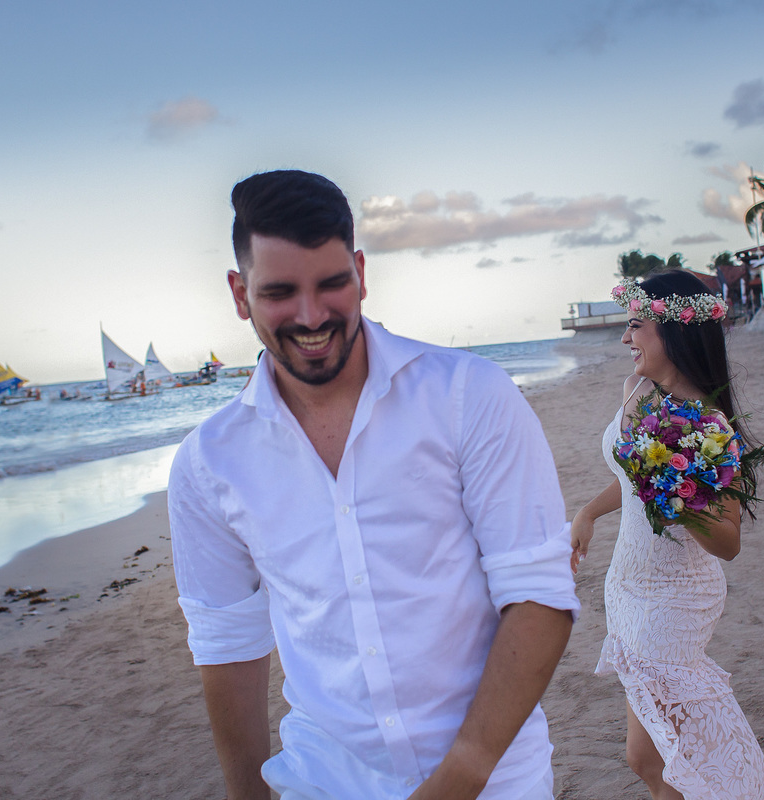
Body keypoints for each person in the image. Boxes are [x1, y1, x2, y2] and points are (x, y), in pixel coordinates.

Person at [169, 169, 578, 800]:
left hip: (495, 779)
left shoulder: (469, 395)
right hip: (323, 780)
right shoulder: (208, 463)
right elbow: (228, 644)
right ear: (238, 292)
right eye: (280, 291)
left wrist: (460, 775)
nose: (311, 316)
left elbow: (539, 595)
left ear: (361, 272)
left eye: (332, 284)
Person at [570, 270, 764, 799]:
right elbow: (628, 478)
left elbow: (727, 542)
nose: (624, 338)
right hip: (630, 586)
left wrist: (670, 489)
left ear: (675, 332)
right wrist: (590, 513)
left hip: (675, 598)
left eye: (636, 325)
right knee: (652, 758)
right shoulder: (639, 395)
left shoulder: (709, 428)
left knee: (648, 757)